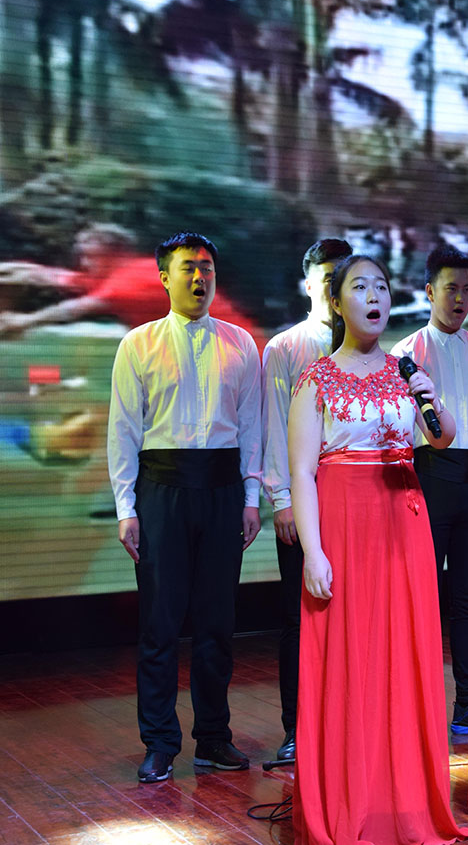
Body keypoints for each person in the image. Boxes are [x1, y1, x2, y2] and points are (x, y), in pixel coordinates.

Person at [288, 254, 468, 845]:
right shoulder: (315, 379)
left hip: (403, 524)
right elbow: (301, 474)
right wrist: (314, 552)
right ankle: (350, 800)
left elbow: (442, 437)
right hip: (345, 525)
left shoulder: (406, 371)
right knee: (350, 660)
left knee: (404, 658)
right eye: (360, 286)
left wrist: (428, 393)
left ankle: (403, 800)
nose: (374, 296)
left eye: (382, 286)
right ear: (336, 301)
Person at [106, 232, 263, 784]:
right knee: (160, 624)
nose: (200, 277)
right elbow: (124, 430)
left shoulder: (241, 344)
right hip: (162, 489)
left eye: (207, 267)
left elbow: (251, 427)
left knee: (218, 624)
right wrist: (126, 507)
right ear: (164, 277)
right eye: (188, 267)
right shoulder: (139, 344)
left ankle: (213, 738)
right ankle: (159, 743)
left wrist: (250, 498)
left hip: (222, 489)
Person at [260, 237, 353, 763]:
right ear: (309, 285)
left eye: (346, 277)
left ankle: (348, 725)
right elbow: (274, 425)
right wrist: (281, 500)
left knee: (353, 614)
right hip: (304, 498)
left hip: (356, 503)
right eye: (328, 277)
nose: (337, 287)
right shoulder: (286, 348)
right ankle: (298, 729)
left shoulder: (372, 349)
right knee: (300, 618)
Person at [392, 244, 468, 737]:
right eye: (451, 289)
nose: (460, 299)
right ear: (429, 292)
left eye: (467, 289)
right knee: (424, 595)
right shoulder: (405, 353)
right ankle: (422, 704)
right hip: (430, 477)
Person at [0, 223, 263, 349]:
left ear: (113, 252)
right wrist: (9, 270)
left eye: (90, 256)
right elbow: (44, 275)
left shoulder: (133, 281)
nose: (83, 262)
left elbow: (75, 308)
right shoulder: (126, 272)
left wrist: (23, 322)